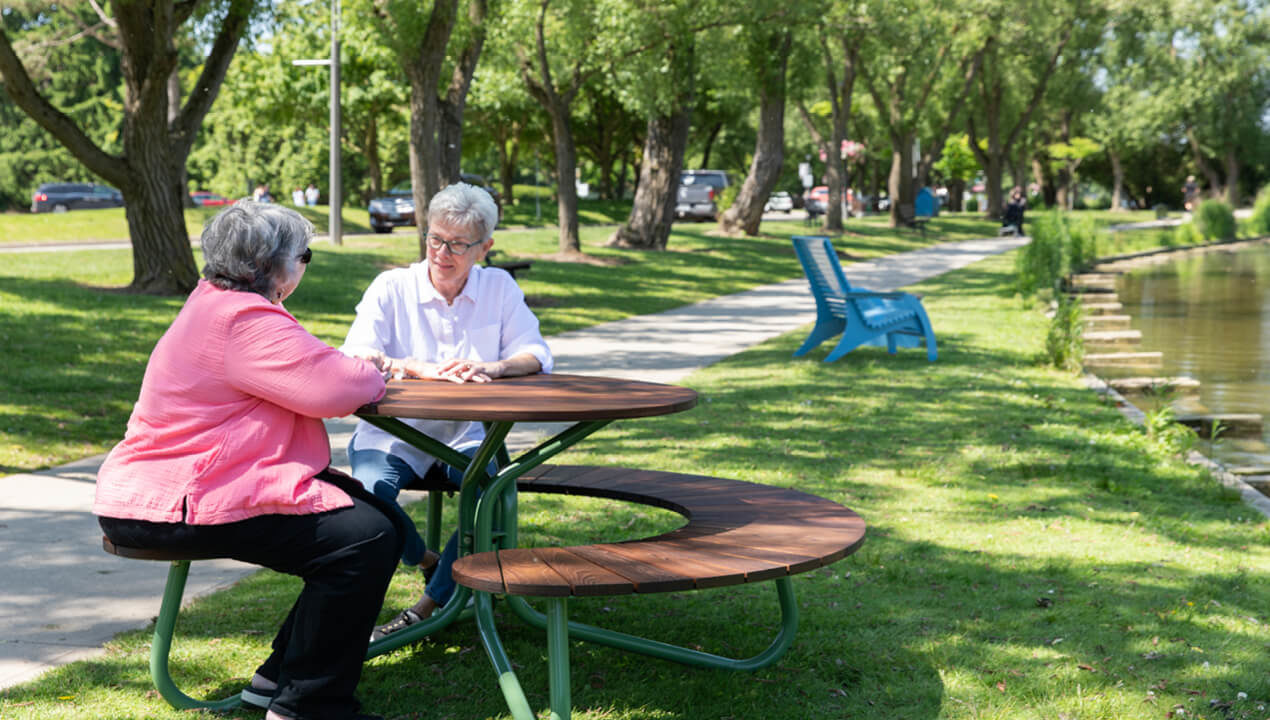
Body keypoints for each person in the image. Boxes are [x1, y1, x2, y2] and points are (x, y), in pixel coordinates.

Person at [94, 201, 407, 720]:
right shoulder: (241, 318)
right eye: (303, 255)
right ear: (270, 265)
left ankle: (277, 682)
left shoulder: (218, 304)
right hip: (167, 505)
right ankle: (309, 706)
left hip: (180, 489)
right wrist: (371, 370)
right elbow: (334, 387)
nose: (305, 266)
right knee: (364, 540)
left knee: (380, 521)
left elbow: (303, 366)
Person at [340, 182, 553, 642]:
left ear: (485, 247)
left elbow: (535, 354)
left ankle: (429, 603)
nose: (442, 252)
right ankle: (425, 560)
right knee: (373, 496)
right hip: (394, 432)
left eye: (458, 244)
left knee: (492, 495)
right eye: (435, 238)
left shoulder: (498, 286)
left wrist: (492, 367)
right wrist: (410, 366)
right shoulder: (392, 287)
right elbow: (356, 356)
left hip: (467, 435)